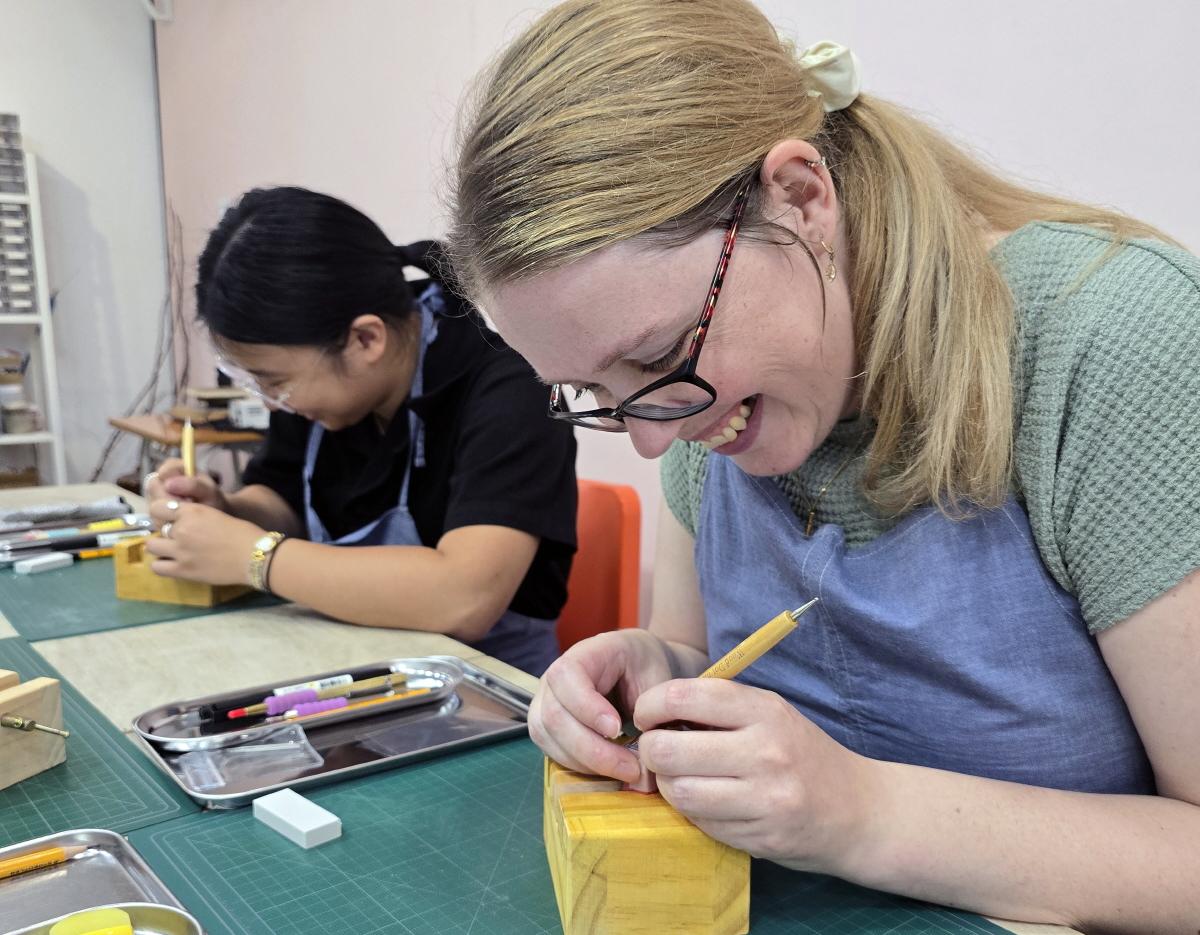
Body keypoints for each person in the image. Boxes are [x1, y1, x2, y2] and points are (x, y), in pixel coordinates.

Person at [444, 0, 1200, 929]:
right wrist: (655, 673)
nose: (651, 438)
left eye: (659, 353)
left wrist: (861, 813)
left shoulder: (1113, 339)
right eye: (590, 391)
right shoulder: (705, 406)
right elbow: (710, 666)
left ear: (802, 199)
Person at [143, 187, 578, 676]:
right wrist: (228, 512)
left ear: (366, 339)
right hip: (345, 666)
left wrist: (253, 556)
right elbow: (283, 499)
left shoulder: (511, 389)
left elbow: (463, 598)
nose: (272, 403)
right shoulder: (324, 392)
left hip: (488, 692)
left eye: (277, 384)